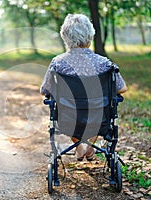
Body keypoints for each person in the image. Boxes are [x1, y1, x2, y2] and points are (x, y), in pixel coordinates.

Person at [40, 14, 127, 161]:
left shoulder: (58, 63)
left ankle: (80, 147)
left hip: (69, 119)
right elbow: (122, 88)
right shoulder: (104, 63)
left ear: (66, 37)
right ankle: (89, 146)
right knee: (95, 109)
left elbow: (45, 90)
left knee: (70, 110)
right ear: (90, 36)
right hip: (99, 119)